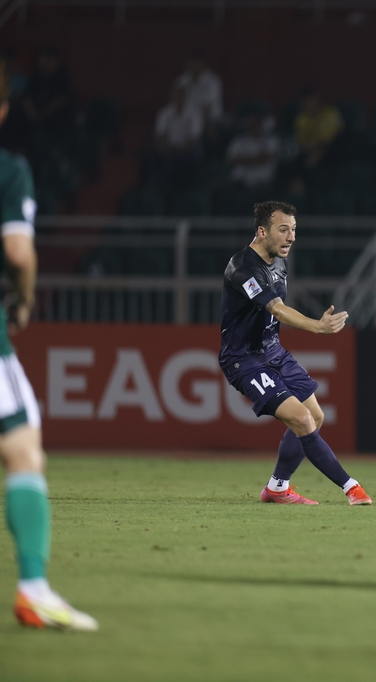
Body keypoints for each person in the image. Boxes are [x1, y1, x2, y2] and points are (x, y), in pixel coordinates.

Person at [0, 74, 97, 631]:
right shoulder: (9, 169)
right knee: (22, 449)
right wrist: (26, 300)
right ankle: (33, 587)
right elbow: (17, 249)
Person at [220, 201, 371, 506]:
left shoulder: (279, 261)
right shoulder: (242, 268)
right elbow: (275, 307)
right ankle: (351, 488)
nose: (291, 237)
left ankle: (277, 487)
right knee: (302, 419)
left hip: (273, 352)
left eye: (294, 230)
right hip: (243, 359)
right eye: (283, 230)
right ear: (262, 231)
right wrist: (317, 327)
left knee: (315, 415)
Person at [152, 84, 203, 187]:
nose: (178, 97)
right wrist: (164, 148)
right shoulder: (164, 112)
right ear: (171, 96)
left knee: (179, 159)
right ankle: (154, 186)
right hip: (169, 147)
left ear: (185, 96)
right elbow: (160, 135)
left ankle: (162, 185)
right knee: (152, 156)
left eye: (181, 95)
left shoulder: (194, 113)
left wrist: (179, 149)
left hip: (187, 149)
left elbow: (194, 137)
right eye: (175, 94)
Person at [226, 113, 280, 191]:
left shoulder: (271, 140)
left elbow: (264, 159)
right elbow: (230, 159)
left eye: (257, 123)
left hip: (262, 181)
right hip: (240, 181)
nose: (254, 127)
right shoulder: (238, 140)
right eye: (252, 124)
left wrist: (244, 159)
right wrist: (255, 159)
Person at [293, 88, 341, 170]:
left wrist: (319, 151)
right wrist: (313, 150)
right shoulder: (301, 119)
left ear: (317, 99)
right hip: (309, 152)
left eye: (311, 100)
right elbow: (301, 143)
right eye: (304, 102)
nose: (308, 105)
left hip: (331, 149)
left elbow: (337, 136)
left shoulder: (330, 112)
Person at [175, 51, 223, 133]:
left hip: (210, 119)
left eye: (194, 63)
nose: (191, 66)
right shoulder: (182, 80)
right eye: (189, 63)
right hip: (187, 119)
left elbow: (208, 107)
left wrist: (195, 122)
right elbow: (175, 100)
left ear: (201, 63)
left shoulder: (212, 81)